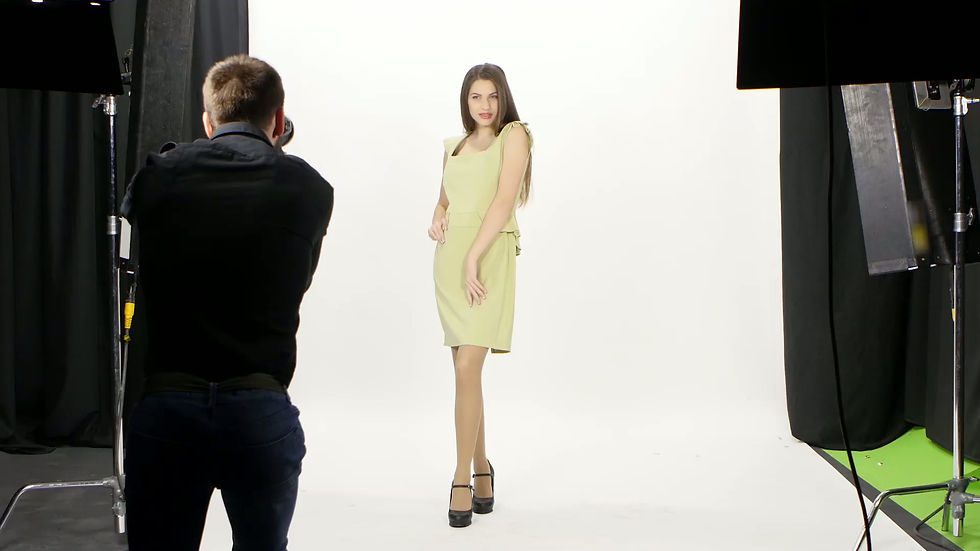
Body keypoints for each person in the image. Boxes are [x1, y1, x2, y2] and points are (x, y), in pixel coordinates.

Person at [121, 54, 333, 550]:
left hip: (168, 409)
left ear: (207, 121)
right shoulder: (308, 188)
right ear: (279, 120)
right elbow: (299, 275)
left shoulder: (160, 176)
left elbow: (137, 207)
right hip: (259, 412)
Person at [428, 63, 533, 528]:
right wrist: (437, 218)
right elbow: (445, 199)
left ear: (503, 97)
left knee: (468, 366)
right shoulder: (453, 146)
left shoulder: (515, 135)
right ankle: (483, 470)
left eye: (492, 96)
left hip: (487, 256)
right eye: (476, 96)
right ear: (465, 101)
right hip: (451, 261)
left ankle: (461, 478)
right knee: (464, 373)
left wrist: (474, 256)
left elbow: (504, 200)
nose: (485, 105)